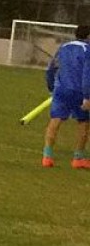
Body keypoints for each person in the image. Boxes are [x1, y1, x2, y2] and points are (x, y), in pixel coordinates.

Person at [42, 23, 90, 169]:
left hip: (61, 89)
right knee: (84, 123)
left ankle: (47, 156)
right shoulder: (87, 50)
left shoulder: (63, 47)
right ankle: (78, 158)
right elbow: (87, 74)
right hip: (79, 91)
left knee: (55, 121)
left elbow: (51, 68)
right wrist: (87, 96)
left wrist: (51, 87)